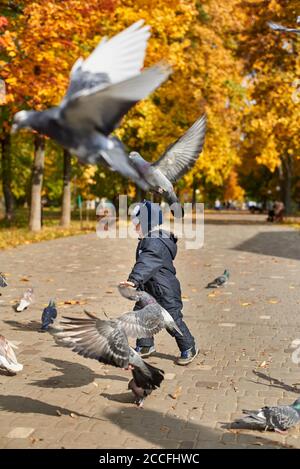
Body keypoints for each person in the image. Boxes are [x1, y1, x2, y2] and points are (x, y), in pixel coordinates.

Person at [119, 200, 198, 365]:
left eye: (137, 224)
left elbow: (148, 261)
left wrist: (134, 280)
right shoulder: (150, 239)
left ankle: (189, 346)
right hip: (148, 288)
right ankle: (145, 345)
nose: (134, 228)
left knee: (172, 320)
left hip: (164, 290)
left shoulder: (154, 241)